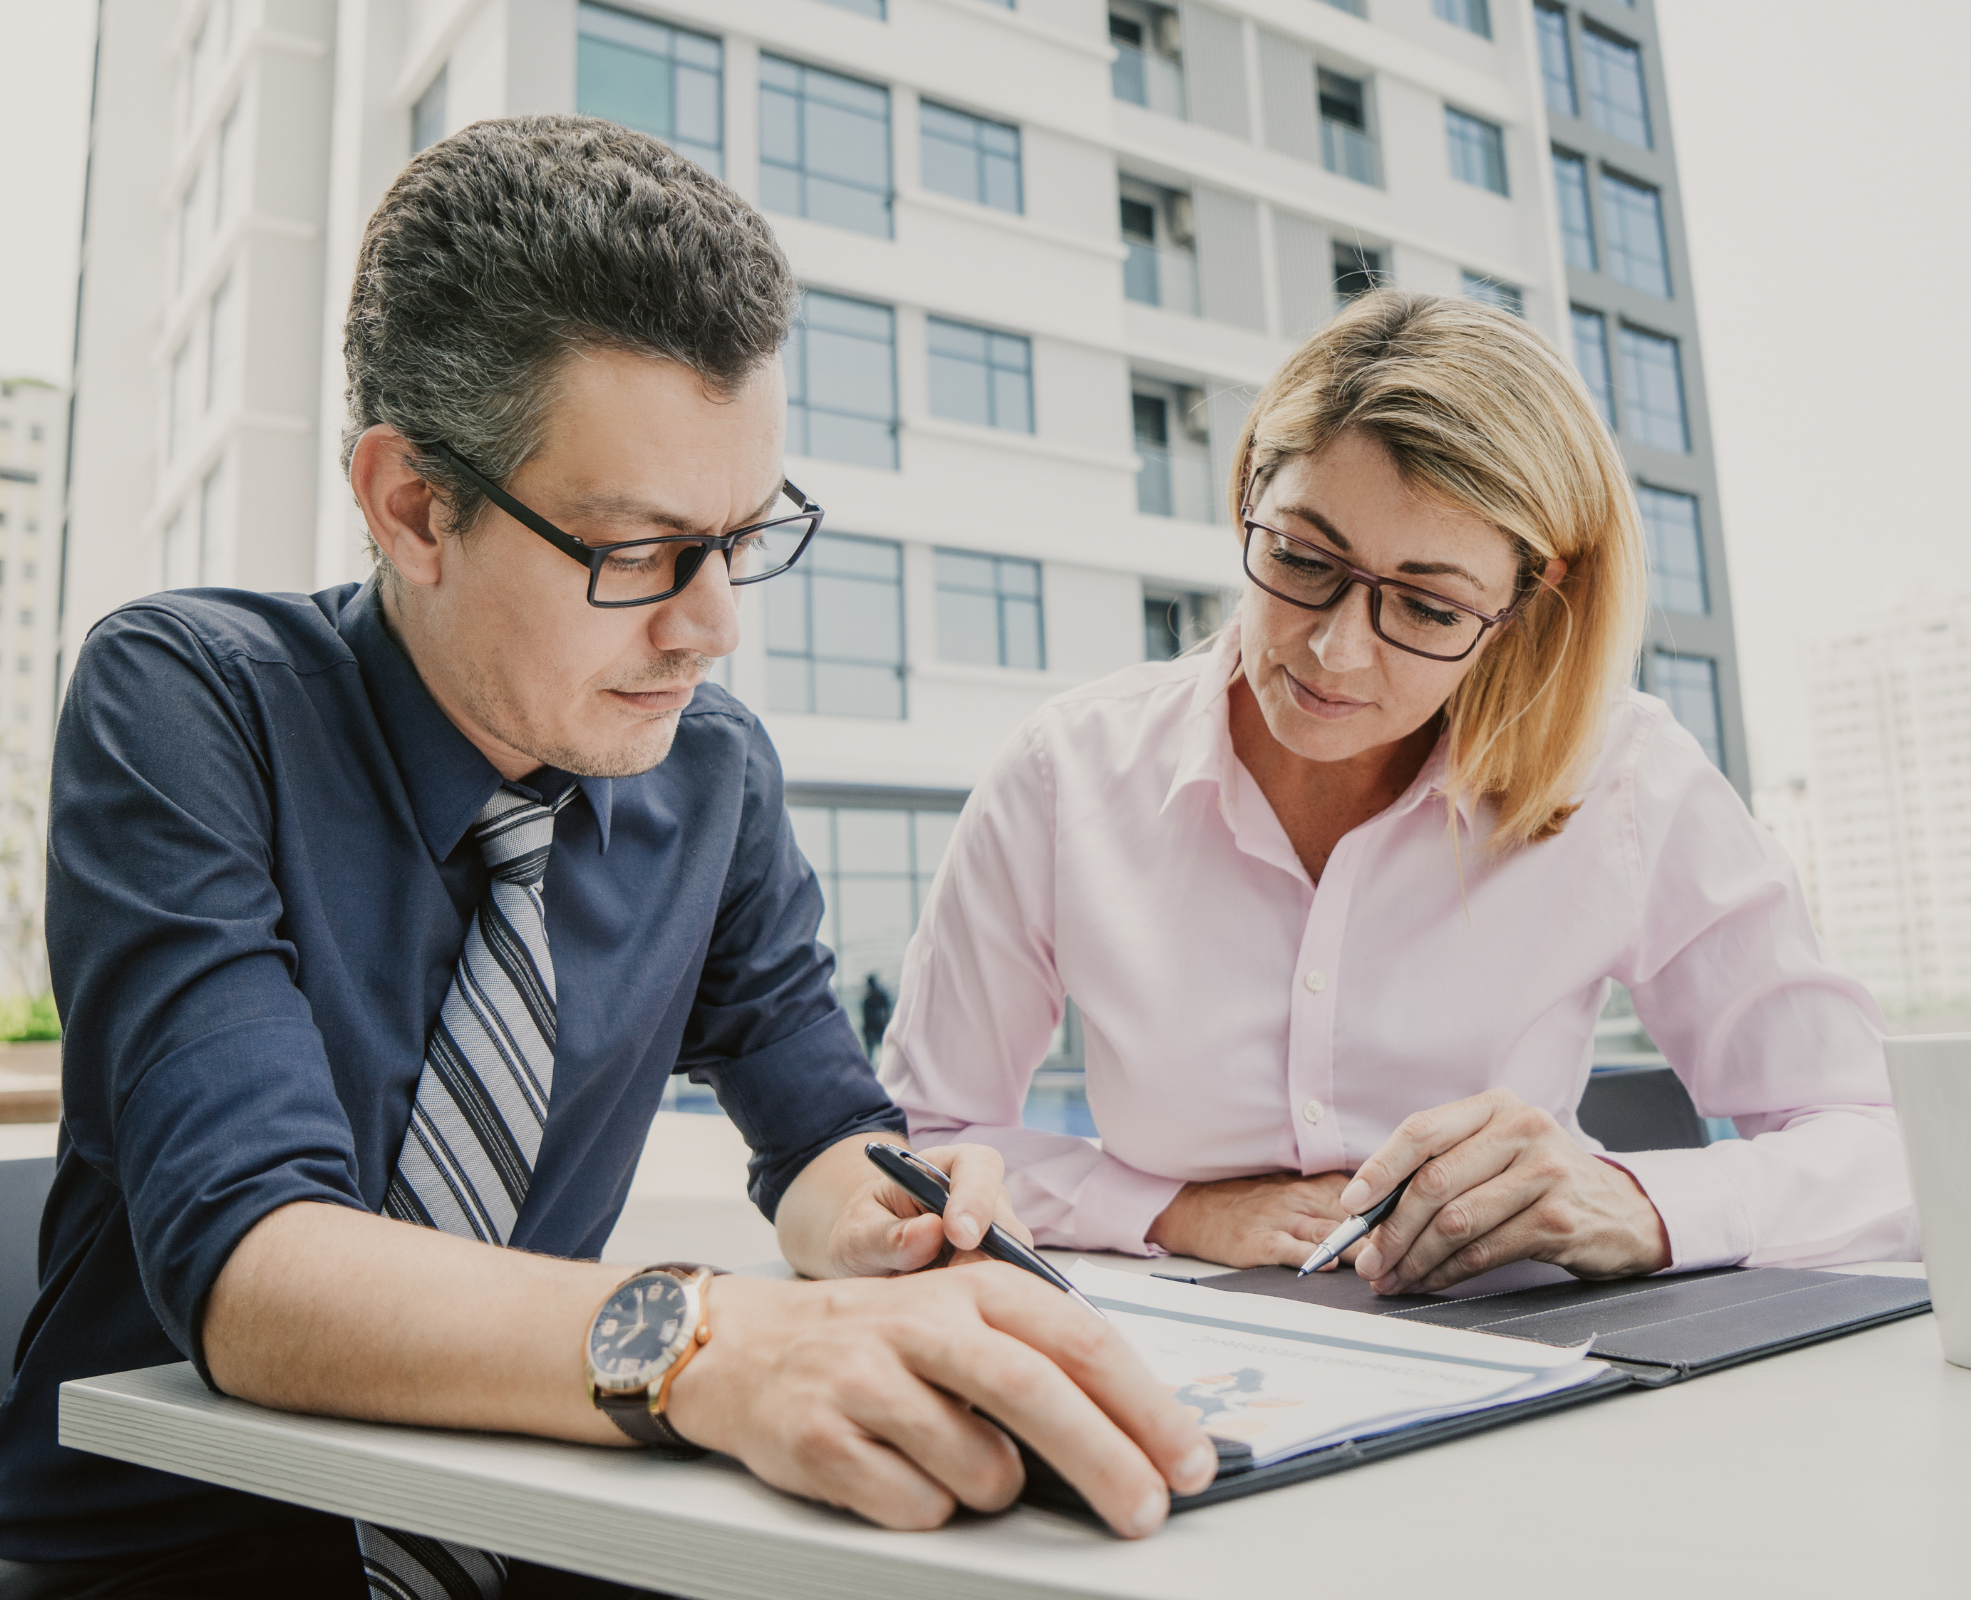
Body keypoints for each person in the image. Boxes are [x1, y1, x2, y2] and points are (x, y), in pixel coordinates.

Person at [0, 117, 1214, 1598]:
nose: (711, 628)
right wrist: (704, 1340)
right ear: (412, 504)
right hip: (174, 1557)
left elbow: (820, 1125)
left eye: (743, 539)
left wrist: (894, 1218)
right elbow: (259, 1272)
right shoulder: (188, 700)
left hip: (543, 1535)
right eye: (637, 553)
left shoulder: (711, 778)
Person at [883, 290, 1917, 1292]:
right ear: (1247, 487)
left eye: (1424, 607)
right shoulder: (1066, 774)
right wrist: (1165, 1209)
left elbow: (1882, 1146)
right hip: (1183, 1352)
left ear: (1529, 595)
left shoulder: (1625, 778)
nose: (1333, 650)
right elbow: (918, 1138)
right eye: (1300, 556)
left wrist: (1634, 1205)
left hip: (1531, 1362)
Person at [861, 974, 893, 1060]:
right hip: (875, 1029)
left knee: (886, 1052)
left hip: (878, 1029)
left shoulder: (876, 997)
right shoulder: (872, 998)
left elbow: (886, 1012)